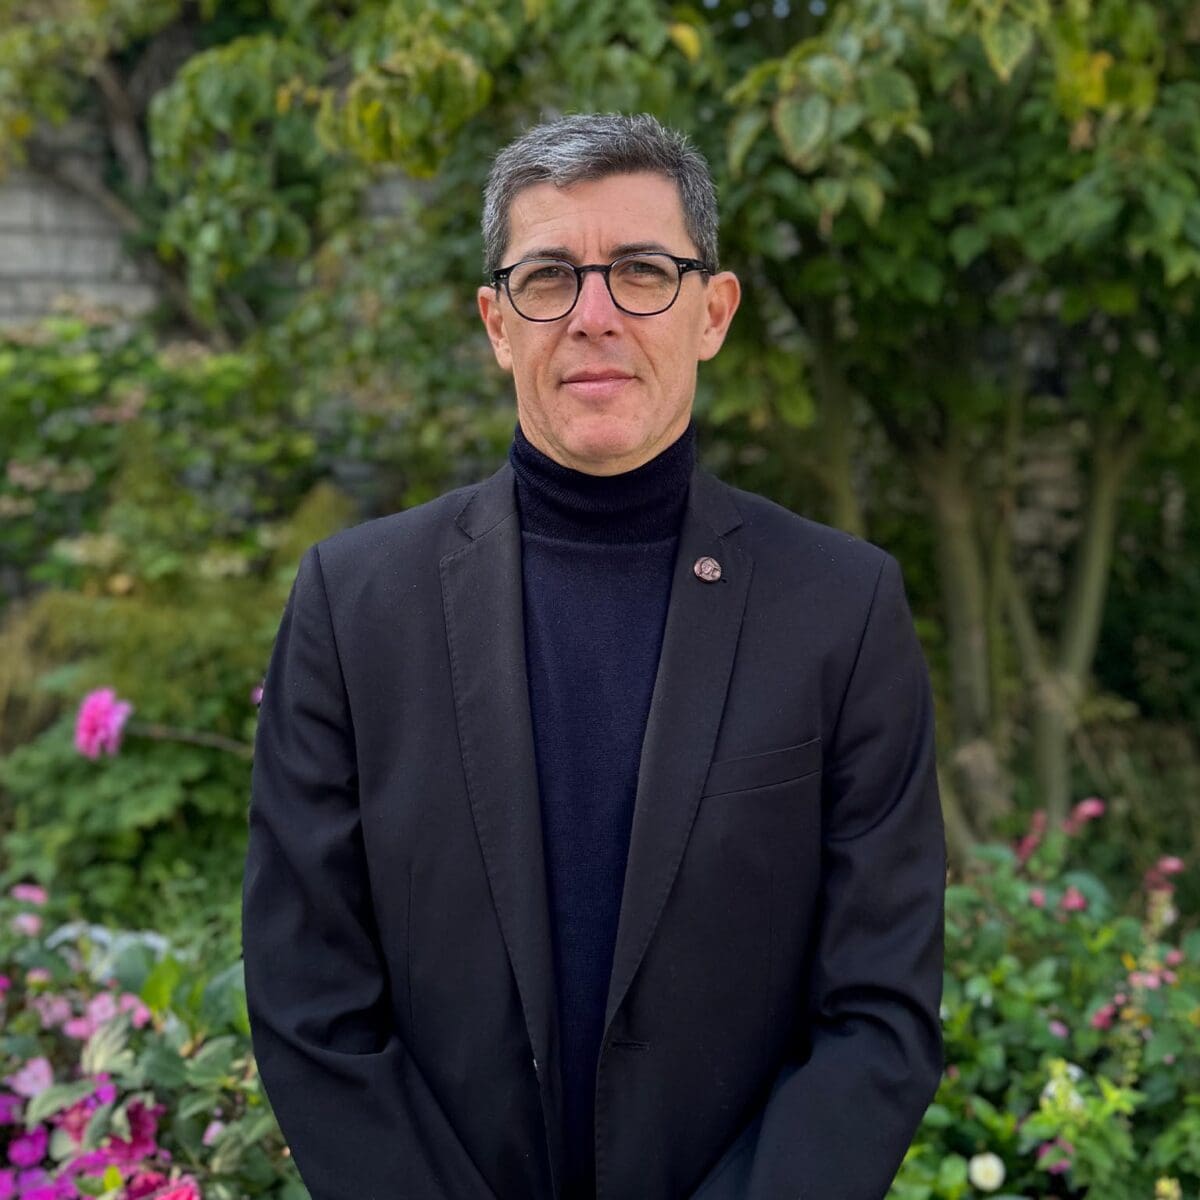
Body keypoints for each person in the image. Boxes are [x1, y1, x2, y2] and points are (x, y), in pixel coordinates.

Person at [242, 112, 946, 1200]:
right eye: (548, 278)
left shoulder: (842, 608)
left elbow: (878, 1013)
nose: (594, 314)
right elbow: (310, 995)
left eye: (643, 272)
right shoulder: (355, 602)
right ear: (497, 323)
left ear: (714, 313)